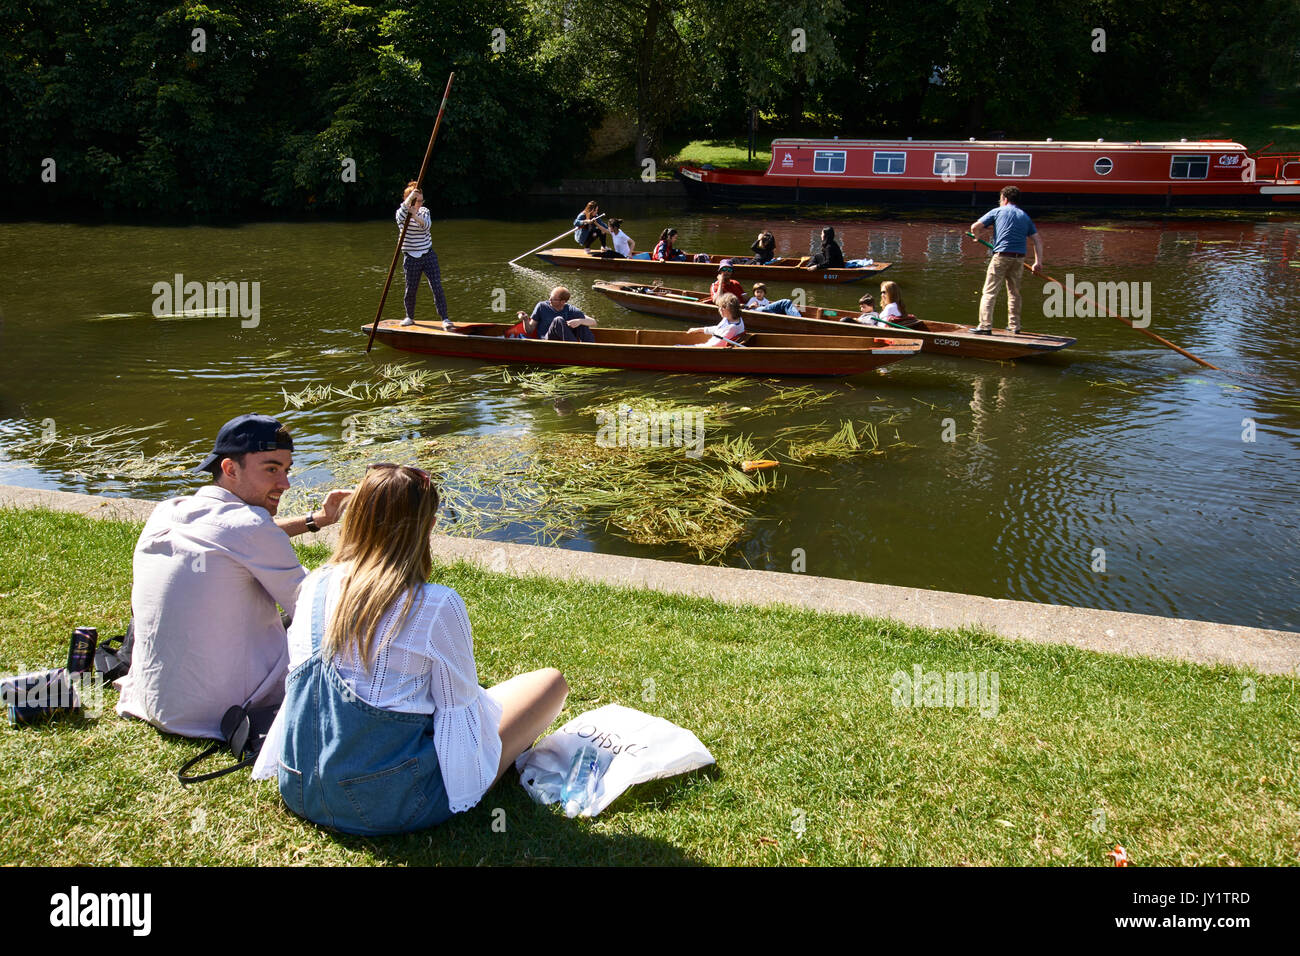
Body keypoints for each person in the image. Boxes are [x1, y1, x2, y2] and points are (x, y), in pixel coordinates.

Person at [257, 464, 569, 835]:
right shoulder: (435, 604)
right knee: (550, 683)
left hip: (300, 787)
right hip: (388, 805)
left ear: (354, 517)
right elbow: (460, 712)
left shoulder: (314, 585)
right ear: (430, 525)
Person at [117, 415, 352, 740]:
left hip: (155, 701)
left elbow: (238, 536)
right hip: (225, 713)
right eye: (271, 469)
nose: (284, 483)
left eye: (286, 470)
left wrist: (318, 520)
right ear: (230, 469)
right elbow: (321, 616)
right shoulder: (250, 526)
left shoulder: (169, 510)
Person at [970, 185, 1043, 335]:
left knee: (989, 292)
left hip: (1001, 257)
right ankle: (1014, 327)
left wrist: (977, 237)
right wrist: (1038, 262)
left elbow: (975, 226)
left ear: (1004, 198)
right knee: (1014, 293)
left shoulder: (997, 211)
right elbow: (1037, 241)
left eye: (1000, 198)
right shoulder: (1024, 216)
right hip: (1019, 259)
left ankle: (985, 327)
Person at [396, 183, 453, 330]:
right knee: (411, 289)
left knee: (437, 286)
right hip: (410, 256)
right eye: (418, 200)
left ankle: (445, 318)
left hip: (428, 254)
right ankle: (409, 316)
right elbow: (399, 217)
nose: (420, 203)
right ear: (411, 200)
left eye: (421, 200)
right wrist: (409, 201)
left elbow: (426, 225)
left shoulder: (424, 211)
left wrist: (415, 215)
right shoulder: (402, 213)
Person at [516, 286, 597, 342]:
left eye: (553, 299)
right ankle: (576, 349)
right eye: (550, 297)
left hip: (565, 341)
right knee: (558, 320)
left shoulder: (571, 310)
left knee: (582, 323)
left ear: (563, 302)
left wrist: (579, 321)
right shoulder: (541, 306)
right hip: (547, 341)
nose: (549, 300)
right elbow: (529, 330)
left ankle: (590, 348)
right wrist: (525, 320)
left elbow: (593, 322)